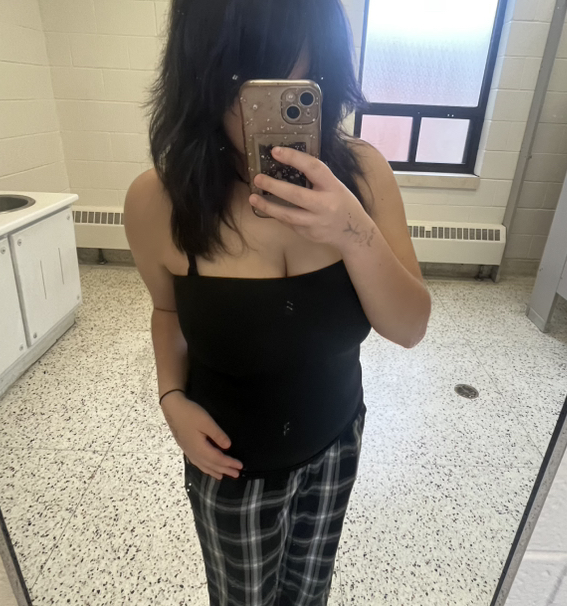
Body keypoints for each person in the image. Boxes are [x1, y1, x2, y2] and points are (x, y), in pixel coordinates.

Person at [124, 1, 428, 604]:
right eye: (241, 82)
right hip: (230, 464)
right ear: (200, 74)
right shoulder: (159, 201)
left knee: (311, 591)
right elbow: (168, 311)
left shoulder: (363, 176)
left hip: (336, 441)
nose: (257, 113)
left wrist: (352, 231)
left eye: (289, 84)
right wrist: (171, 398)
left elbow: (410, 326)